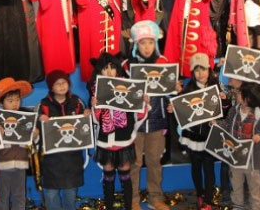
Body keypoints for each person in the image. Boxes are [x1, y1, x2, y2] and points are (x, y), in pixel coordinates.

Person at [88, 53, 148, 210]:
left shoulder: (129, 88)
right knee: (108, 176)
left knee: (125, 176)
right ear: (99, 71)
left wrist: (143, 103)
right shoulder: (96, 90)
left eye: (112, 68)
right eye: (105, 68)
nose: (109, 72)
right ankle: (109, 206)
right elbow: (96, 120)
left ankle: (128, 207)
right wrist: (95, 106)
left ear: (118, 70)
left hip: (123, 140)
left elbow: (138, 116)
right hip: (106, 141)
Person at [125, 20, 171, 210]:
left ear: (155, 43)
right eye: (143, 43)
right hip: (135, 123)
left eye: (150, 42)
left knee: (154, 161)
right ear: (136, 44)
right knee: (134, 163)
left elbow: (169, 93)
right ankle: (133, 199)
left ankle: (155, 198)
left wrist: (172, 101)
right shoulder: (127, 65)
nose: (147, 47)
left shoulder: (163, 63)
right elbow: (122, 95)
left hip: (157, 120)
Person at [169, 53, 223, 210]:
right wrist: (174, 106)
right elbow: (180, 108)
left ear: (209, 70)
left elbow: (225, 110)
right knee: (196, 166)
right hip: (193, 136)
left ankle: (209, 199)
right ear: (192, 72)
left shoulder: (216, 87)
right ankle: (200, 195)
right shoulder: (188, 89)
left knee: (209, 168)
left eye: (203, 69)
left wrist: (224, 100)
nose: (201, 73)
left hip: (210, 135)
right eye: (197, 70)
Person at [38, 71, 90, 210]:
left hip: (72, 158)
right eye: (57, 83)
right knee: (51, 194)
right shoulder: (43, 105)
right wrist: (39, 120)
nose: (61, 86)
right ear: (51, 87)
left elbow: (85, 129)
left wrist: (86, 116)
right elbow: (35, 130)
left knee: (70, 193)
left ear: (69, 84)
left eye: (64, 82)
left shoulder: (77, 102)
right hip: (51, 158)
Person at [220, 83, 260, 210]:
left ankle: (256, 207)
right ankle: (238, 205)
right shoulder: (234, 111)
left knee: (254, 187)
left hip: (252, 160)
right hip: (236, 157)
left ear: (247, 99)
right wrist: (216, 123)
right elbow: (227, 123)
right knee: (236, 185)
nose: (237, 94)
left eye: (239, 93)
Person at [76, 0, 121, 81]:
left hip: (109, 26)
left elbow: (114, 5)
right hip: (93, 28)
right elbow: (81, 2)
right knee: (95, 55)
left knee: (110, 55)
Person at [0, 77, 34, 210]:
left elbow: (33, 139)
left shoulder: (25, 117)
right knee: (3, 197)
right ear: (1, 103)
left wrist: (34, 133)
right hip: (3, 163)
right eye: (10, 101)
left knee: (19, 195)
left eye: (17, 100)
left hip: (21, 162)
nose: (15, 103)